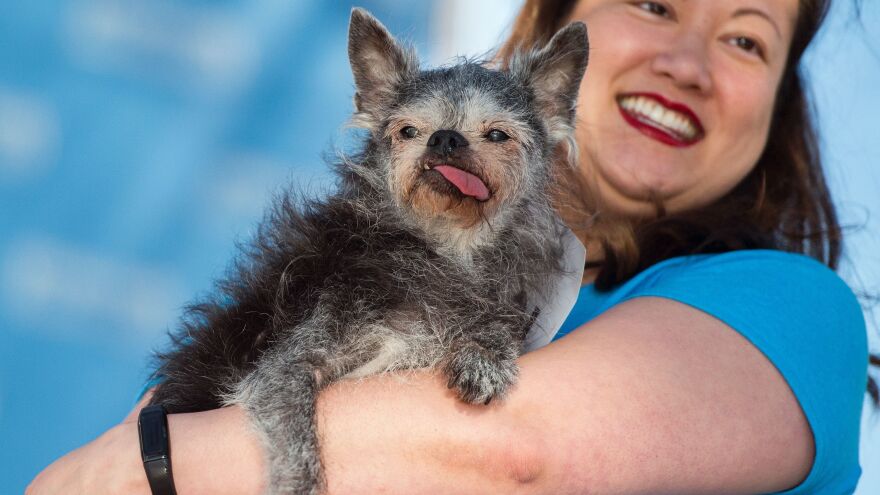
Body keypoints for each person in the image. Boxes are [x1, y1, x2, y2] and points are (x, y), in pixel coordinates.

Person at [28, 0, 877, 494]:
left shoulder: (787, 308)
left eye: (746, 39)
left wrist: (147, 464)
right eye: (654, 2)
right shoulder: (345, 264)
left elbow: (513, 449)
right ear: (554, 23)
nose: (688, 61)